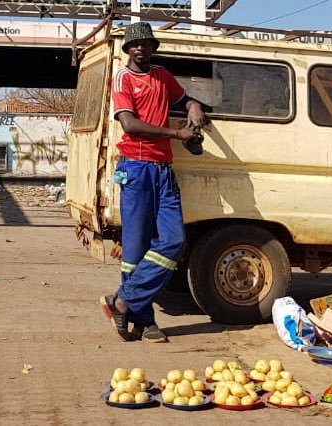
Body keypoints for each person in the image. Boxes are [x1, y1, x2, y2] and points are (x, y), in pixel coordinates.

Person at [100, 22, 208, 343]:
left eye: (147, 44)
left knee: (173, 241)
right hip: (136, 167)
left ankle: (121, 301)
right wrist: (178, 133)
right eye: (136, 45)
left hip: (163, 169)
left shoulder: (162, 75)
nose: (142, 49)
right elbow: (130, 124)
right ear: (128, 49)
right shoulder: (123, 77)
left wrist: (193, 105)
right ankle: (144, 321)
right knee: (135, 249)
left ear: (152, 48)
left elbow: (184, 97)